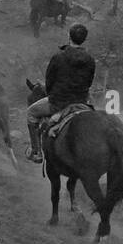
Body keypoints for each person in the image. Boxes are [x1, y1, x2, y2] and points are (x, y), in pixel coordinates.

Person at [26, 24, 95, 162]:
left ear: (69, 36)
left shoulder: (58, 57)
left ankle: (36, 152)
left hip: (58, 103)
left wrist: (51, 93)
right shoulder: (90, 59)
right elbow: (89, 83)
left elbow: (49, 82)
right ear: (84, 39)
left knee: (31, 113)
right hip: (82, 102)